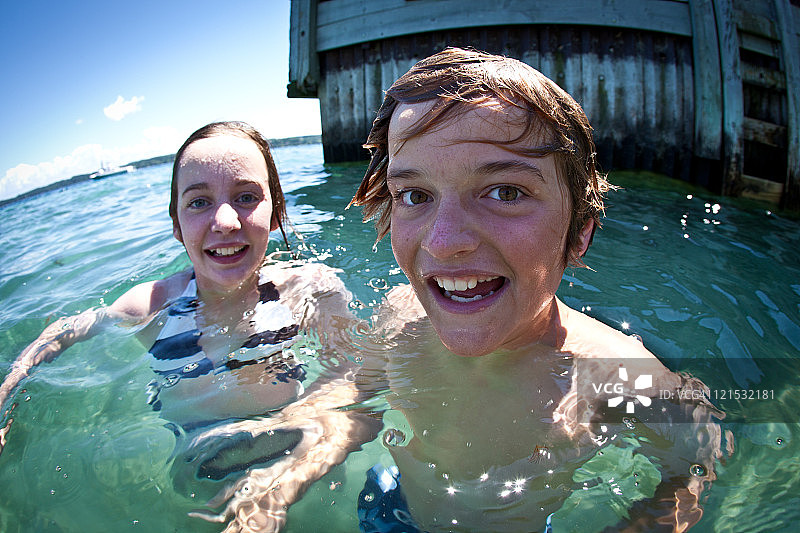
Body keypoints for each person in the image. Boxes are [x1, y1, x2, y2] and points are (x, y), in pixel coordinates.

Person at [343, 47, 725, 532]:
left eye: (505, 191)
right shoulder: (398, 317)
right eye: (415, 196)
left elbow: (694, 465)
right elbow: (352, 406)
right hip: (390, 504)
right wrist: (279, 485)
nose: (443, 243)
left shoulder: (621, 377)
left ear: (580, 231)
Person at [0, 121, 378, 530]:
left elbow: (359, 389)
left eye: (247, 197)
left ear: (276, 214)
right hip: (194, 479)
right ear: (177, 225)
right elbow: (61, 333)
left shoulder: (309, 290)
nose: (226, 221)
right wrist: (8, 397)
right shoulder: (150, 306)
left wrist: (280, 486)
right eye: (199, 202)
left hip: (305, 460)